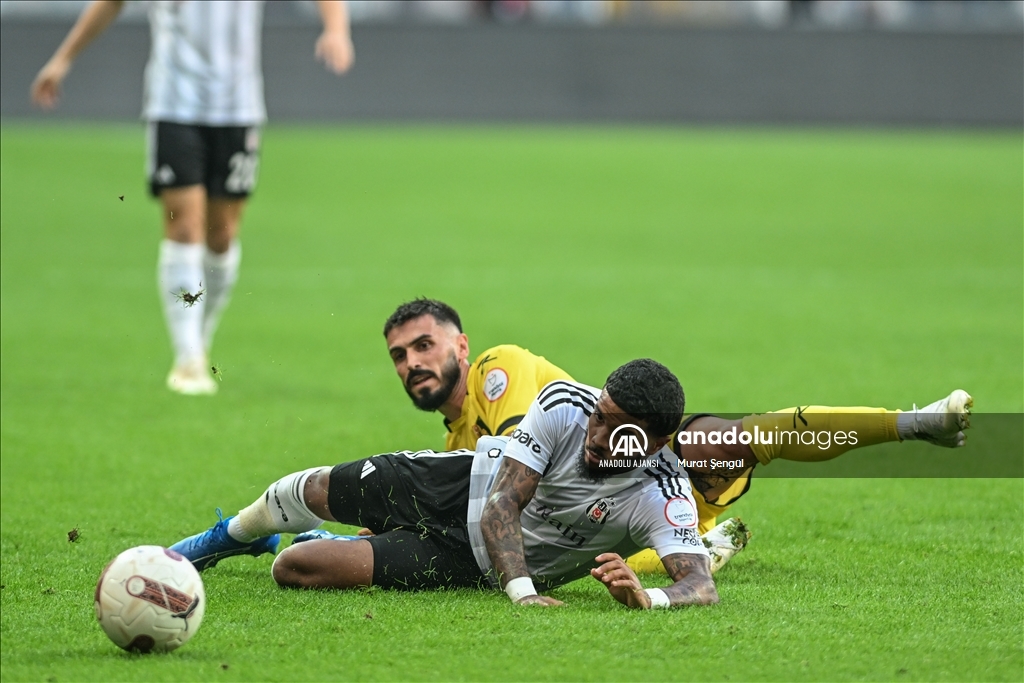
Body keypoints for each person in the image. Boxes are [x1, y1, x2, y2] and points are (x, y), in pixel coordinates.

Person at [323, 298, 970, 574]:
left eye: (424, 346)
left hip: (645, 458)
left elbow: (521, 471)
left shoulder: (500, 370)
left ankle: (917, 422)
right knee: (602, 560)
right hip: (618, 514)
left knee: (733, 438)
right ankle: (705, 543)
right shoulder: (451, 445)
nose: (412, 364)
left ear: (459, 345)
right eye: (399, 357)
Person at [170, 359, 719, 608]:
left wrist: (646, 597)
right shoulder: (564, 406)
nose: (596, 433)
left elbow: (699, 585)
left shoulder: (662, 492)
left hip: (471, 564)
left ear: (653, 441)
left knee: (294, 570)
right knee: (315, 490)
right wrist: (524, 595)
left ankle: (322, 544)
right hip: (459, 484)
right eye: (600, 414)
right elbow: (503, 502)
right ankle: (227, 537)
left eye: (615, 427)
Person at [31, 0, 354, 394]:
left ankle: (199, 338)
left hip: (239, 105)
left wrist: (336, 29)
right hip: (174, 101)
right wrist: (63, 58)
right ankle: (187, 359)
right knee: (183, 226)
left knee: (222, 235)